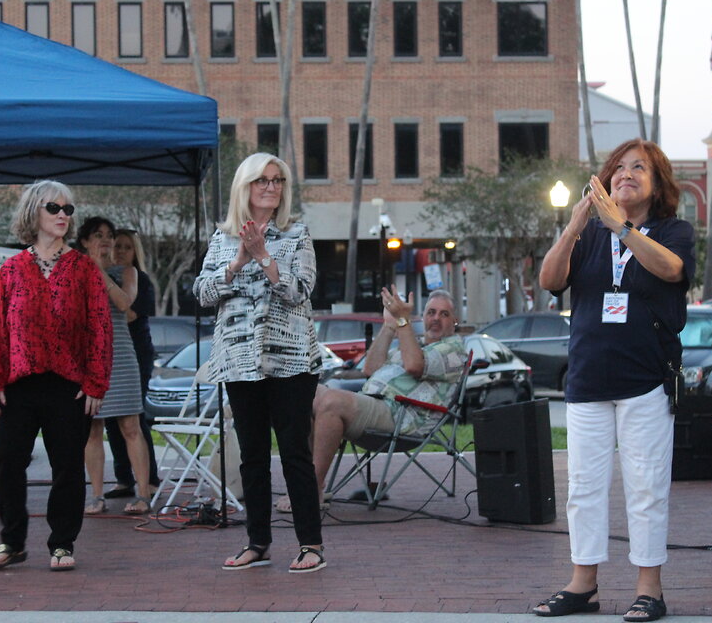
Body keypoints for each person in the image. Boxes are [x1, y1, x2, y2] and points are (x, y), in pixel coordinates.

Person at [533, 139, 695, 621]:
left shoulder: (672, 230)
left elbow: (670, 269)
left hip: (645, 378)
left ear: (657, 183)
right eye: (618, 168)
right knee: (583, 486)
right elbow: (548, 279)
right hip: (588, 379)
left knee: (646, 486)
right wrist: (576, 224)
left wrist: (620, 227)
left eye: (638, 168)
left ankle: (650, 589)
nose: (626, 174)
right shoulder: (586, 236)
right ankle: (583, 584)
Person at [193, 152, 327, 573]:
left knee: (293, 452)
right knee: (251, 453)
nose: (271, 187)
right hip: (239, 360)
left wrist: (265, 257)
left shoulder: (297, 235)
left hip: (290, 360)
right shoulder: (221, 239)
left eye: (278, 180)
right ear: (245, 187)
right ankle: (258, 541)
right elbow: (202, 294)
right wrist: (237, 263)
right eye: (262, 180)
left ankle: (311, 544)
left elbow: (301, 291)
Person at [0, 180, 111, 573]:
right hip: (18, 384)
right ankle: (12, 541)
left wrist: (95, 384)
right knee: (6, 461)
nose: (63, 216)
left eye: (69, 210)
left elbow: (99, 329)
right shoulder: (12, 269)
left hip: (68, 386)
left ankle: (62, 543)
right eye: (55, 208)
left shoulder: (84, 268)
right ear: (34, 210)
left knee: (68, 466)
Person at [279, 287, 468, 513]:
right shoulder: (414, 344)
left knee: (332, 402)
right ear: (424, 316)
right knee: (306, 393)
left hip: (402, 418)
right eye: (431, 312)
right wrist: (389, 326)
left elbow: (414, 366)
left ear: (455, 320)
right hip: (374, 405)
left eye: (444, 314)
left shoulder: (454, 350)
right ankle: (303, 483)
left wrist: (402, 322)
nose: (436, 319)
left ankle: (311, 491)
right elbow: (370, 368)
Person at [75, 217, 155, 516]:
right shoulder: (74, 271)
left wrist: (99, 270)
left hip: (121, 354)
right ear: (85, 241)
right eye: (99, 235)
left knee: (131, 426)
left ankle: (144, 494)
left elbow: (124, 303)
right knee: (92, 430)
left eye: (109, 235)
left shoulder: (127, 272)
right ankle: (96, 496)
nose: (106, 241)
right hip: (88, 358)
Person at [104, 229, 162, 502]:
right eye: (116, 246)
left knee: (133, 418)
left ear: (135, 251)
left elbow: (126, 314)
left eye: (127, 247)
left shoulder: (141, 280)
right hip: (107, 355)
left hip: (135, 355)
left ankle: (149, 479)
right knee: (110, 420)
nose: (120, 252)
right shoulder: (103, 277)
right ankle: (123, 478)